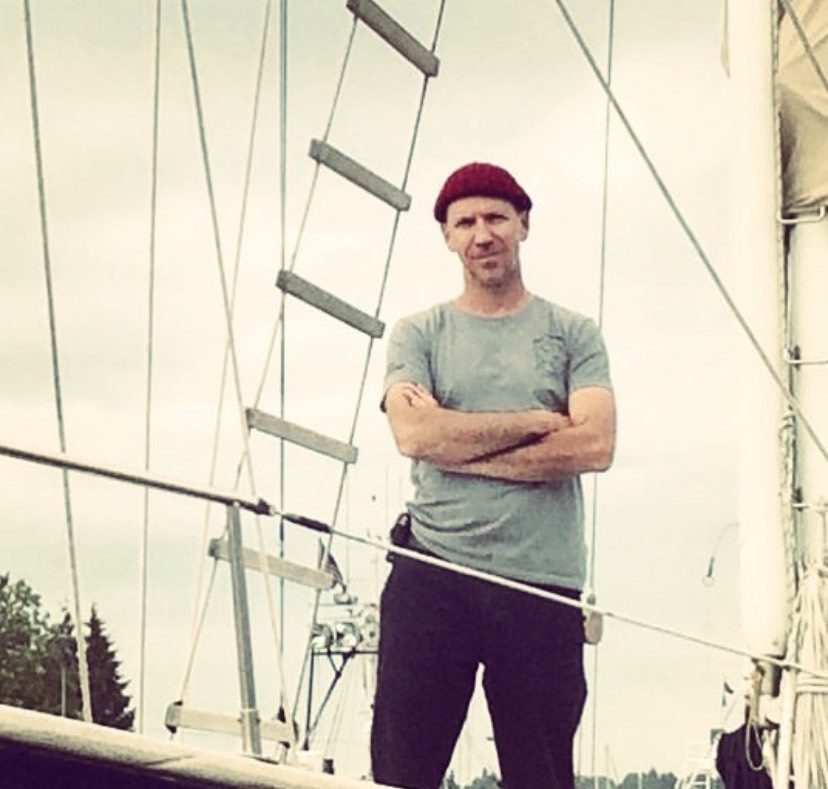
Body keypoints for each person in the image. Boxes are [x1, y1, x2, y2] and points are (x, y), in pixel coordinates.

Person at [370, 162, 616, 789]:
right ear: (448, 238)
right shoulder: (418, 334)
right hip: (435, 574)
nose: (483, 234)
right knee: (402, 772)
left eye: (496, 218)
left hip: (540, 587)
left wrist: (461, 444)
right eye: (466, 222)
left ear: (523, 226)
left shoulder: (573, 334)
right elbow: (414, 435)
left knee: (542, 777)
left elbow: (594, 444)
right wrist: (537, 420)